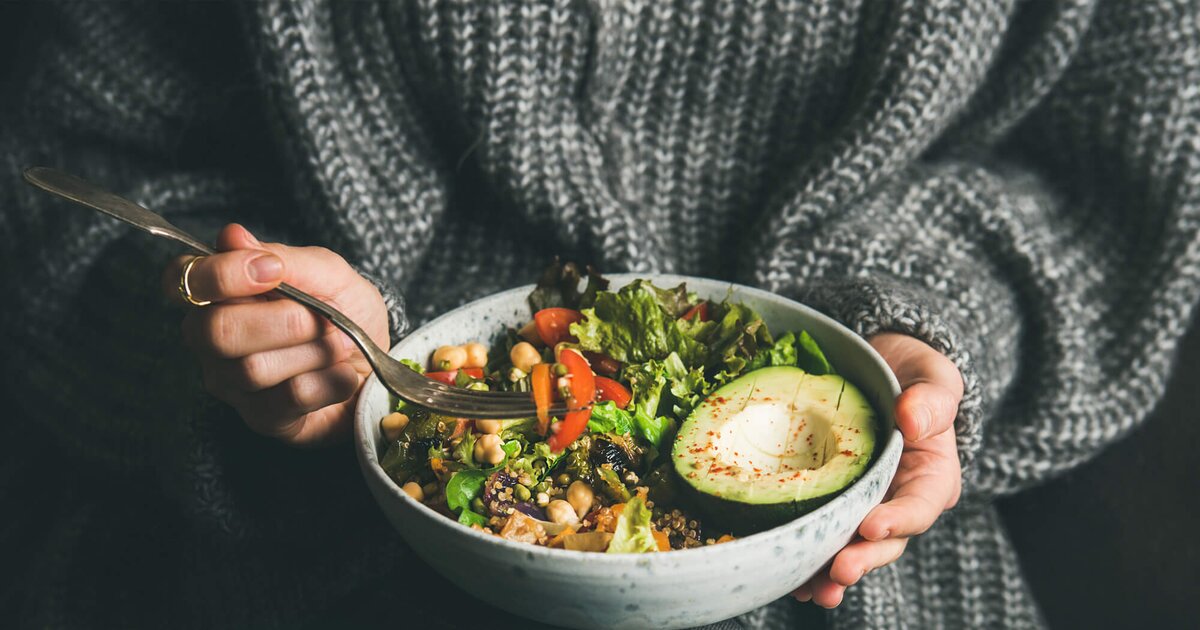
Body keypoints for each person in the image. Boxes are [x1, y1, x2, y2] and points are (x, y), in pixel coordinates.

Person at [2, 1, 1197, 628]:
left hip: (858, 570)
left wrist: (925, 334)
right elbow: (71, 172)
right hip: (294, 555)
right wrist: (228, 335)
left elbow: (1113, 169)